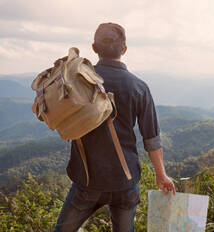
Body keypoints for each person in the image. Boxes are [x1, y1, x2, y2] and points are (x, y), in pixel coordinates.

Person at [33, 22, 176, 232]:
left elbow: (43, 110)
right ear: (124, 50)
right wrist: (161, 175)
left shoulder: (76, 82)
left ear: (94, 48)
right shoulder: (138, 87)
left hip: (87, 180)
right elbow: (151, 138)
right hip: (125, 182)